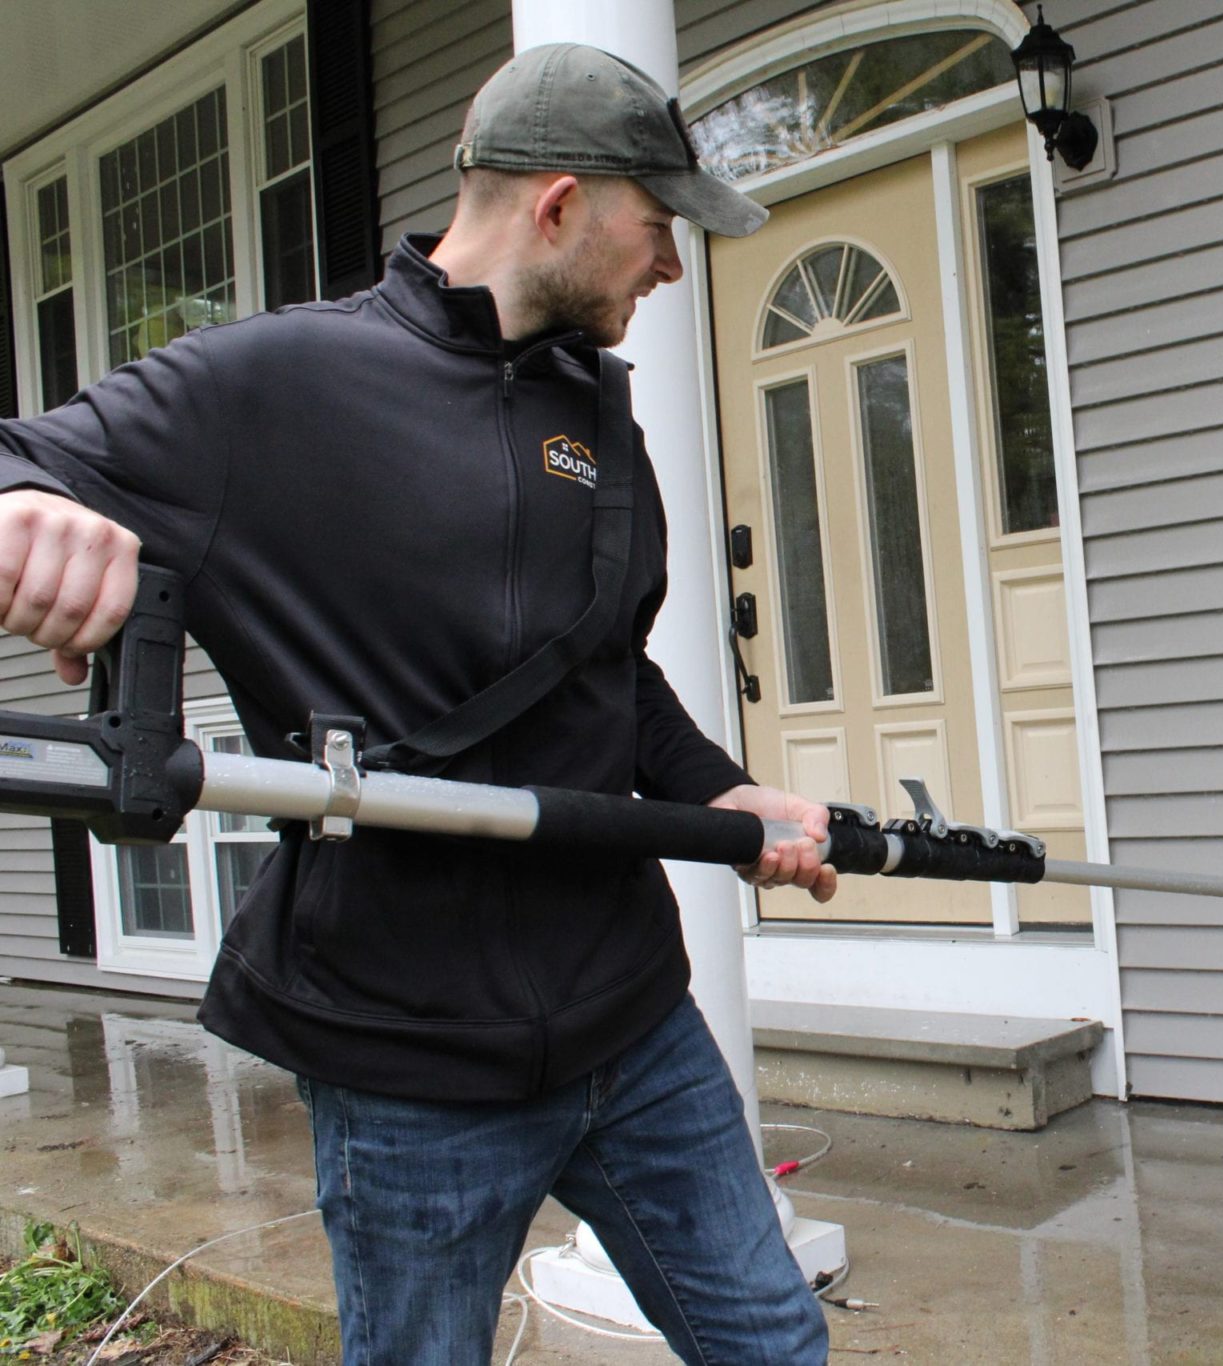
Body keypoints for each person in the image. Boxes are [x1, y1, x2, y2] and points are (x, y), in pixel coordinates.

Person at [0, 44, 833, 1365]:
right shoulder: (268, 387)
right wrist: (28, 511)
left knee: (776, 1343)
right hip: (410, 1064)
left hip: (630, 1015)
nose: (672, 266)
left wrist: (726, 794)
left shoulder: (600, 427)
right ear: (560, 206)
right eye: (658, 228)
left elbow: (613, 677)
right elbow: (18, 462)